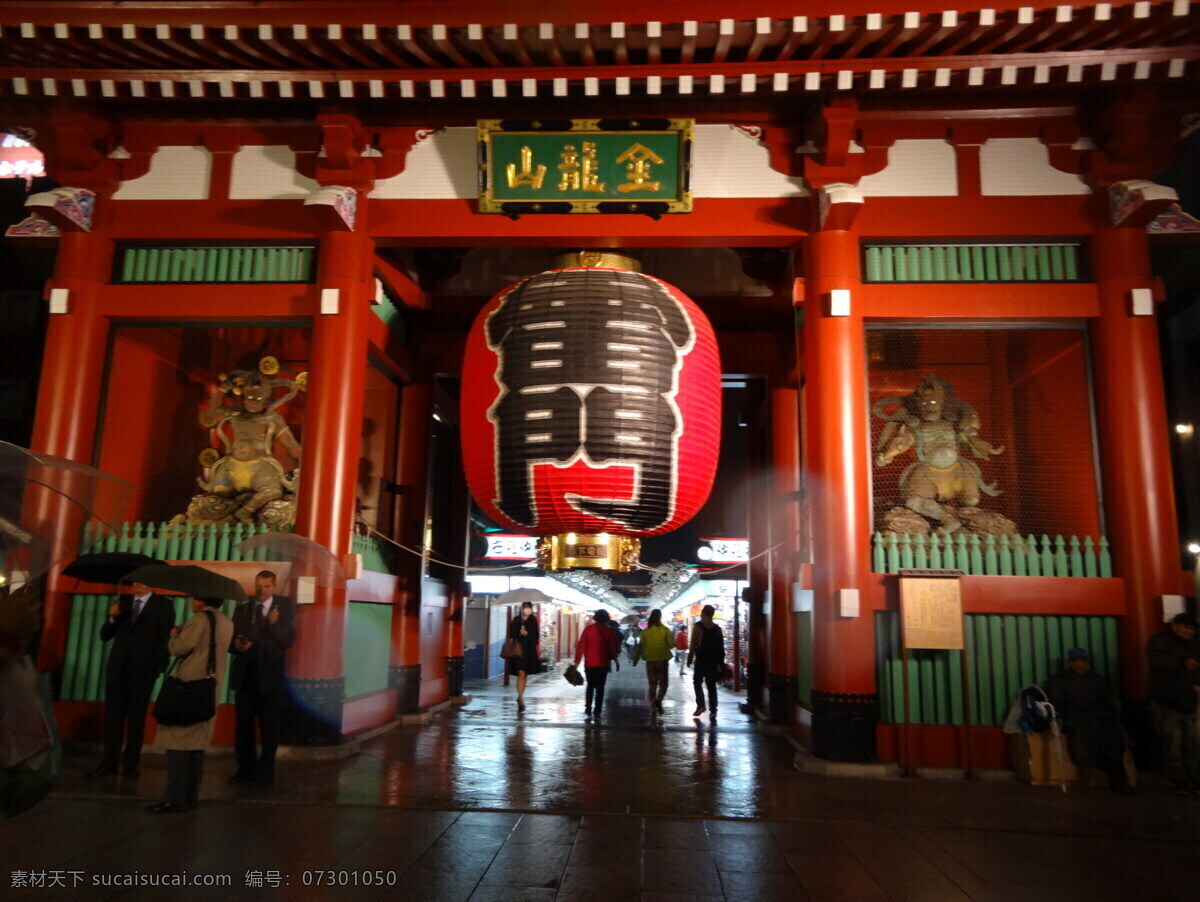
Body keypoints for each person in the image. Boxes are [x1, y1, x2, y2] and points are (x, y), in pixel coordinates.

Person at [146, 596, 233, 813]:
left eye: (193, 598)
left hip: (189, 687)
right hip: (209, 689)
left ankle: (173, 798)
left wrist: (175, 635)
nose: (190, 602)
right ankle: (190, 796)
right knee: (197, 746)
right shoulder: (226, 621)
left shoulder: (199, 619)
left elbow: (180, 647)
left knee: (177, 743)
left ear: (202, 601)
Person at [87, 581, 174, 780]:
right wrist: (112, 617)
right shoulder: (123, 601)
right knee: (113, 719)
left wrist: (158, 668)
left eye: (143, 582)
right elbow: (105, 635)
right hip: (117, 670)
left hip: (143, 672)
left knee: (136, 720)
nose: (138, 586)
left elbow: (165, 640)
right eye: (135, 581)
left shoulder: (163, 605)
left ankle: (131, 765)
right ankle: (109, 764)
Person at [228, 570, 296, 787]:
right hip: (245, 676)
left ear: (273, 587)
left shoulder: (284, 610)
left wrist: (275, 623)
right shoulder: (243, 610)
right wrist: (238, 646)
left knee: (269, 727)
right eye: (259, 586)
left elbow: (287, 642)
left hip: (270, 678)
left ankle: (266, 772)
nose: (262, 590)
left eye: (267, 586)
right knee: (243, 726)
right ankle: (244, 770)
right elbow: (231, 643)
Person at [1043, 648, 1132, 793]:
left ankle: (1117, 777)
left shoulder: (1095, 680)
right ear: (1070, 663)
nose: (1080, 664)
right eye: (1076, 661)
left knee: (1110, 739)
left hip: (1095, 719)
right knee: (1106, 743)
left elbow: (1106, 702)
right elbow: (1057, 705)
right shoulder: (1062, 681)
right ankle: (1118, 779)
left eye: (1083, 661)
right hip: (1076, 720)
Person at [1146, 612, 1200, 794]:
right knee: (1173, 743)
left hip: (1189, 701)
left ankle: (1193, 779)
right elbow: (1158, 662)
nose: (1188, 631)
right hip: (1167, 701)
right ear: (1175, 626)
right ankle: (1179, 781)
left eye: (1191, 628)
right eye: (1185, 627)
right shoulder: (1159, 641)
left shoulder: (1194, 646)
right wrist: (1183, 662)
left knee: (1192, 742)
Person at [574, 609, 619, 722]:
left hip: (589, 663)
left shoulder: (588, 630)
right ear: (606, 618)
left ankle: (588, 708)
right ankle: (597, 711)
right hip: (603, 663)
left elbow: (581, 646)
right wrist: (611, 657)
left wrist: (577, 661)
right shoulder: (608, 631)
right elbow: (613, 648)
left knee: (590, 685)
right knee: (600, 688)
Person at [688, 605, 725, 721]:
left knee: (697, 682)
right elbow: (721, 647)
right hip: (713, 661)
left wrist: (690, 657)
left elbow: (693, 643)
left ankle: (701, 705)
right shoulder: (717, 629)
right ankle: (713, 711)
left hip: (701, 659)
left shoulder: (698, 627)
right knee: (711, 686)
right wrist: (721, 662)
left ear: (703, 613)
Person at [638, 610, 674, 715]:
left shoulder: (645, 632)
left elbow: (641, 647)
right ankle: (659, 700)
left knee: (652, 684)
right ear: (660, 618)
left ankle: (653, 704)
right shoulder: (665, 630)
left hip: (650, 661)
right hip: (662, 660)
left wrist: (635, 660)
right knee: (664, 684)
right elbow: (671, 645)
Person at [508, 601, 541, 711]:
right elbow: (511, 634)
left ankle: (520, 695)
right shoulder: (517, 620)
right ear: (521, 608)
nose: (527, 609)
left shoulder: (533, 620)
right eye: (525, 607)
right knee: (521, 672)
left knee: (525, 674)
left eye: (529, 607)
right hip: (518, 650)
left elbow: (536, 637)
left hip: (529, 651)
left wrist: (527, 634)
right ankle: (521, 698)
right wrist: (519, 632)